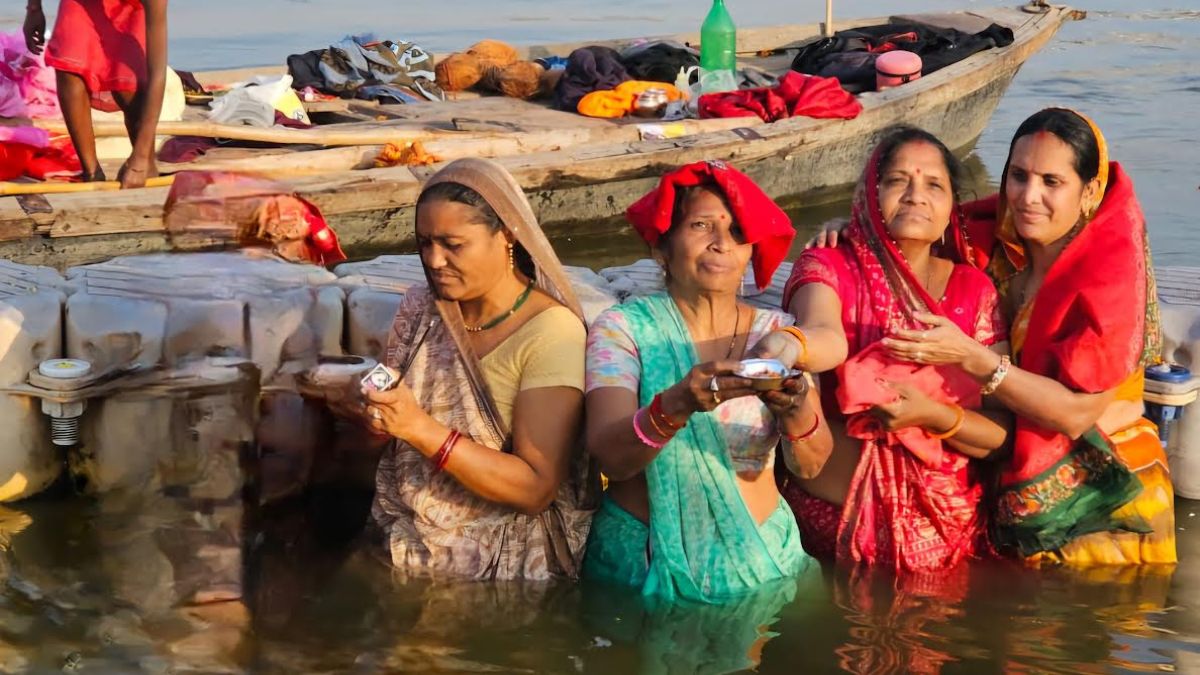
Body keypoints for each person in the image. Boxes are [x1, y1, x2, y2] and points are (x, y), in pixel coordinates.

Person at [889, 109, 1176, 564]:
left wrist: (974, 359)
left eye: (1051, 182)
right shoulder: (990, 242)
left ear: (1091, 191)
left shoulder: (1111, 273)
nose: (1028, 197)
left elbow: (1074, 415)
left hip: (1106, 492)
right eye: (1018, 176)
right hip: (1011, 465)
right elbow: (914, 224)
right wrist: (851, 232)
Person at [753, 126, 1011, 571]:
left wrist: (933, 416)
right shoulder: (829, 263)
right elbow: (823, 331)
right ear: (870, 195)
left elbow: (1001, 437)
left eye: (934, 184)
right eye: (897, 181)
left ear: (952, 209)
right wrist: (789, 345)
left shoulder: (976, 290)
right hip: (832, 529)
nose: (915, 195)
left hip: (948, 529)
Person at [583, 160, 831, 603]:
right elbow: (611, 460)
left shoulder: (778, 336)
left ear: (751, 250)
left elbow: (811, 465)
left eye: (737, 231)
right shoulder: (623, 329)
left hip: (757, 563)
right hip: (642, 566)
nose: (722, 244)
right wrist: (674, 406)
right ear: (662, 246)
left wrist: (795, 410)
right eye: (701, 225)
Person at [348, 157, 597, 580]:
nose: (434, 260)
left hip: (498, 563)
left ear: (507, 237)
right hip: (401, 532)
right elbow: (393, 418)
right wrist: (371, 411)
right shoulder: (423, 306)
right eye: (424, 243)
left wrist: (419, 429)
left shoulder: (552, 333)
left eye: (453, 244)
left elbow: (535, 489)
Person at [23, 0, 168, 187]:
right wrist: (34, 8)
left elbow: (157, 74)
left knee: (128, 85)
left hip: (131, 9)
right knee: (69, 63)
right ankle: (91, 173)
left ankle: (146, 163)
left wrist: (139, 161)